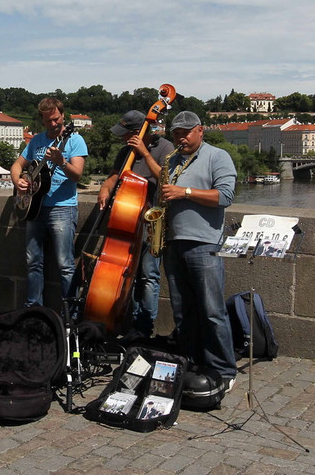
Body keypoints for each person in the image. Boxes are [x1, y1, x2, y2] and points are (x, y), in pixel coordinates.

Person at [158, 110, 238, 390]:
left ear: (200, 131)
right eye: (176, 133)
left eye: (186, 132)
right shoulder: (173, 161)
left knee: (212, 311)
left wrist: (185, 192)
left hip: (204, 243)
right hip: (174, 241)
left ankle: (224, 371)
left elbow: (225, 196)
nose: (180, 138)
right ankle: (190, 362)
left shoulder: (217, 156)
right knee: (183, 310)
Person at [97, 110, 174, 338]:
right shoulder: (125, 152)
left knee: (149, 274)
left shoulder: (165, 148)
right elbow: (114, 175)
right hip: (128, 218)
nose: (122, 138)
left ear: (139, 131)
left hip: (152, 220)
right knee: (129, 272)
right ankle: (128, 319)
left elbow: (166, 179)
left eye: (125, 134)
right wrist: (105, 188)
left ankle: (145, 324)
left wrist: (144, 154)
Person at [11, 97, 88, 307]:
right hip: (35, 208)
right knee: (33, 261)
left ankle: (69, 313)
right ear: (42, 121)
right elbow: (17, 165)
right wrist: (18, 182)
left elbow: (77, 175)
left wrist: (61, 162)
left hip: (62, 208)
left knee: (65, 264)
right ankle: (34, 309)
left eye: (56, 119)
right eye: (48, 121)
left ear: (63, 115)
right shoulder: (36, 140)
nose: (53, 124)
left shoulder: (74, 140)